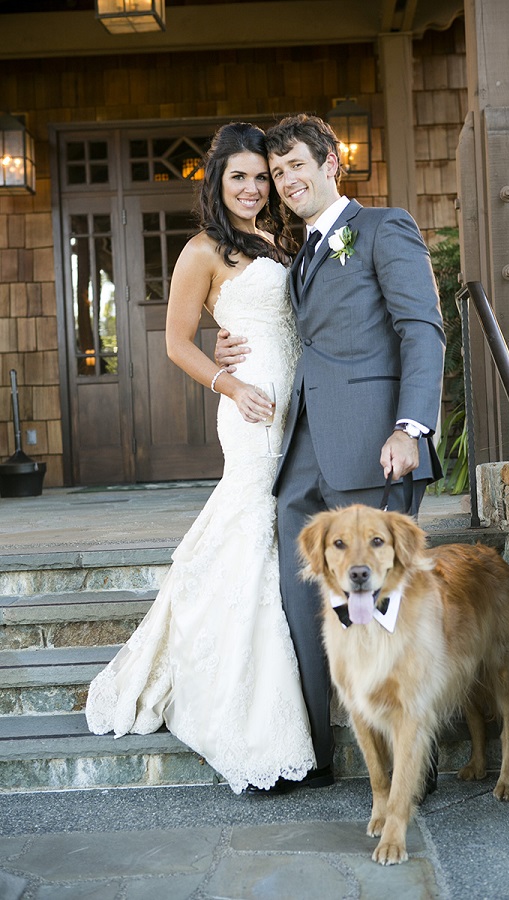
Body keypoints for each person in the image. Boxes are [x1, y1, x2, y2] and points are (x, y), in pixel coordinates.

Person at [215, 114, 446, 792]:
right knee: (303, 601)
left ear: (329, 164)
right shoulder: (302, 253)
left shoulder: (382, 228)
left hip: (375, 450)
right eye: (276, 171)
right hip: (302, 455)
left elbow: (422, 329)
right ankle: (310, 753)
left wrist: (410, 428)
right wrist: (223, 343)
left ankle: (412, 770)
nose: (286, 180)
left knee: (384, 611)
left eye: (296, 166)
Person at [85, 122, 316, 794]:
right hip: (251, 410)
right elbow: (177, 342)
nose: (252, 188)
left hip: (299, 404)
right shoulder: (203, 250)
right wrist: (231, 384)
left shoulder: (283, 239)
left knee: (270, 539)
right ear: (217, 180)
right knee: (250, 541)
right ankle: (254, 723)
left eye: (261, 177)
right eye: (239, 176)